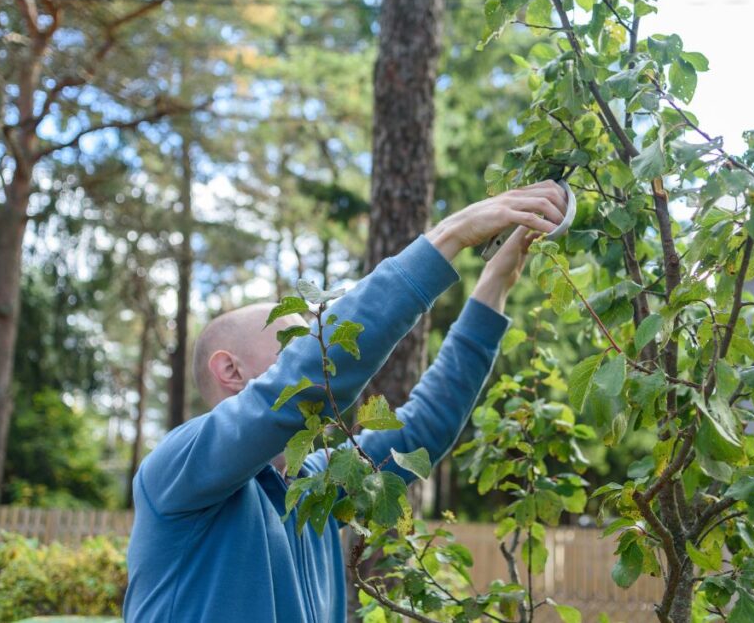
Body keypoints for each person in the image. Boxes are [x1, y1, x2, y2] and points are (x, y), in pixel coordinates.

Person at [123, 182, 569, 622]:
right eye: (294, 344)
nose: (315, 349)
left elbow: (422, 428)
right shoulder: (178, 467)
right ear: (231, 371)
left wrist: (497, 280)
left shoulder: (313, 490)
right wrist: (452, 234)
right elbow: (310, 380)